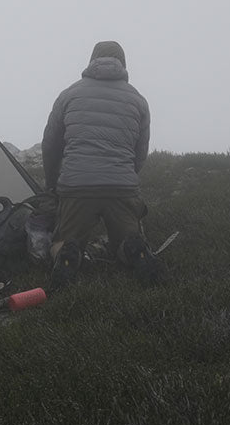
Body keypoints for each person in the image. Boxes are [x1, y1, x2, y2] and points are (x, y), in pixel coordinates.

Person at [41, 40, 162, 288]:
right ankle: (132, 246)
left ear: (91, 60)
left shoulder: (69, 94)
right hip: (121, 188)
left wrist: (53, 184)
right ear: (123, 63)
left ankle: (67, 254)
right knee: (126, 240)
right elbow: (141, 152)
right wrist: (126, 178)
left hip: (76, 187)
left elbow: (50, 146)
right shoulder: (138, 100)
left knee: (63, 239)